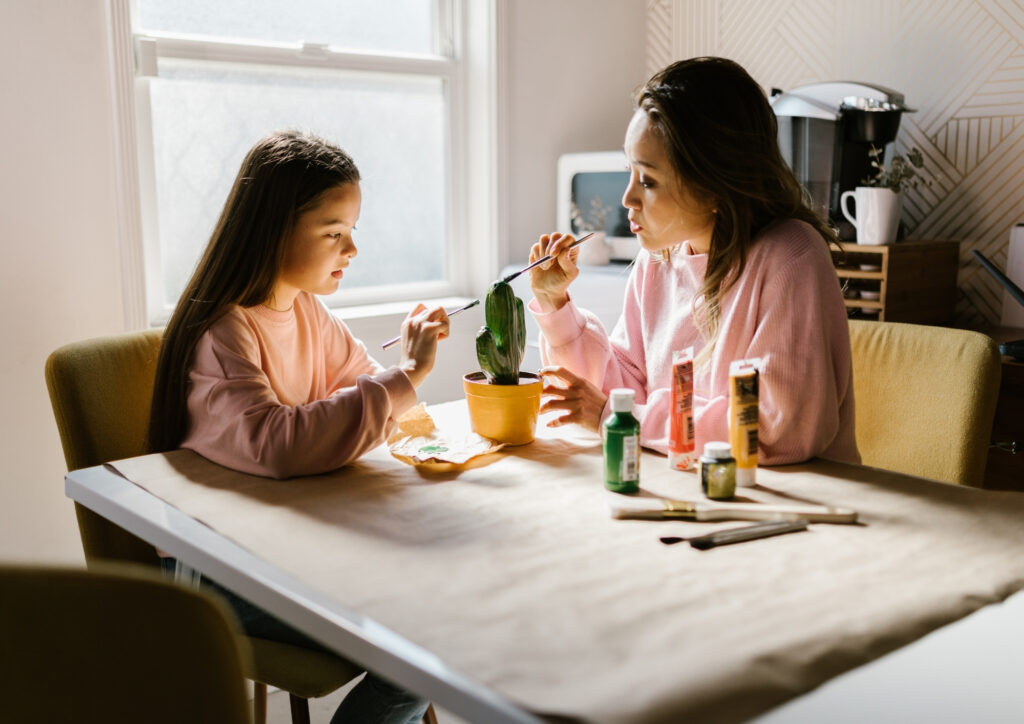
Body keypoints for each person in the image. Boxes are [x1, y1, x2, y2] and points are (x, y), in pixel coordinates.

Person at [147, 130, 446, 723]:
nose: (352, 249)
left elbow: (367, 390)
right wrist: (407, 376)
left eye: (353, 230)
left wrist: (417, 419)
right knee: (419, 652)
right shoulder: (225, 332)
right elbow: (278, 442)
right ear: (272, 230)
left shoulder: (307, 310)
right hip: (216, 572)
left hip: (286, 547)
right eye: (334, 233)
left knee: (435, 612)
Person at [528, 57, 860, 466]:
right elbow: (620, 390)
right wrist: (558, 307)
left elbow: (777, 429)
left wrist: (622, 417)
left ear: (714, 183)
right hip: (690, 490)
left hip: (795, 507)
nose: (626, 199)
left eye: (648, 181)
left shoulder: (791, 256)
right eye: (629, 172)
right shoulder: (658, 259)